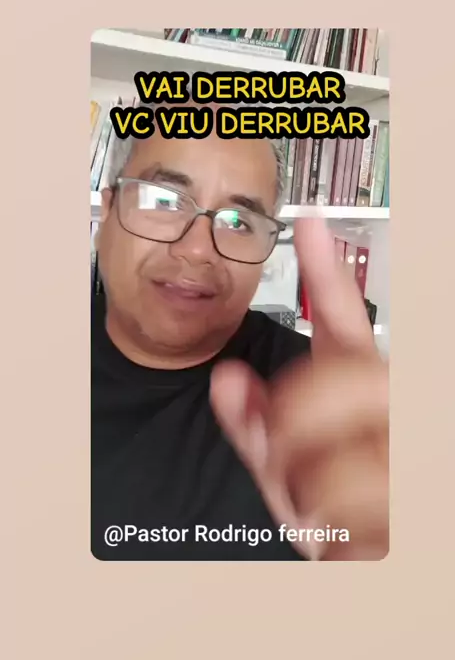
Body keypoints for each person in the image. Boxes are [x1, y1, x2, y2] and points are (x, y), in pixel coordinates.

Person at [92, 117, 389, 561]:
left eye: (239, 221)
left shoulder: (324, 413)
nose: (197, 249)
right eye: (164, 200)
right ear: (107, 210)